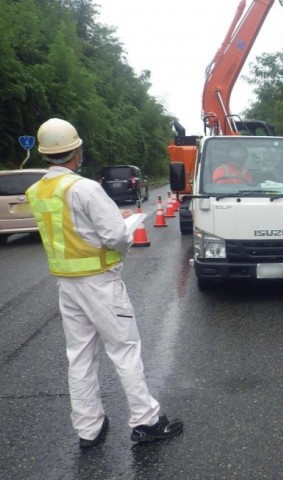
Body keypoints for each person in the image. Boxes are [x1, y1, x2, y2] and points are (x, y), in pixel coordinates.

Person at [26, 118, 183, 448]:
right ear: (75, 151)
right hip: (99, 282)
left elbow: (72, 228)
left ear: (44, 153)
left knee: (80, 356)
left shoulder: (37, 190)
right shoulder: (84, 188)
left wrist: (113, 222)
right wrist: (124, 231)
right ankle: (146, 421)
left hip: (67, 285)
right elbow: (113, 237)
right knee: (125, 351)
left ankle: (89, 429)